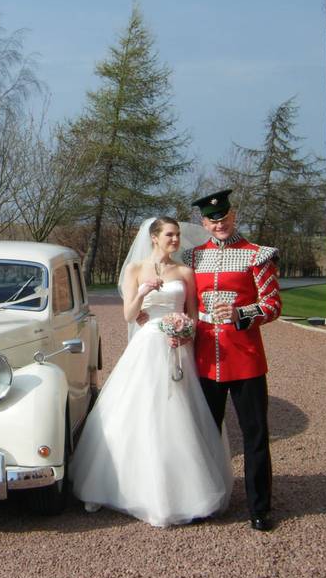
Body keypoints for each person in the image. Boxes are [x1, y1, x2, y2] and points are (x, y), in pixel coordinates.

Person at [70, 217, 232, 527]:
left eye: (178, 235)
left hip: (176, 347)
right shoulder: (135, 269)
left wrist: (185, 333)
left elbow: (193, 315)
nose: (175, 240)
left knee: (177, 416)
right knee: (137, 412)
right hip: (146, 346)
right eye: (170, 235)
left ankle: (181, 492)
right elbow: (129, 315)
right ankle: (123, 488)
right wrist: (143, 290)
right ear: (154, 237)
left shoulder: (185, 272)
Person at [182, 189, 282, 532]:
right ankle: (206, 500)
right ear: (203, 222)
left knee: (255, 436)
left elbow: (272, 306)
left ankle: (259, 507)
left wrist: (241, 312)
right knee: (206, 434)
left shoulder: (257, 255)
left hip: (245, 359)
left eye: (224, 217)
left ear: (234, 216)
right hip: (205, 359)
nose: (219, 223)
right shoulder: (193, 257)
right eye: (213, 219)